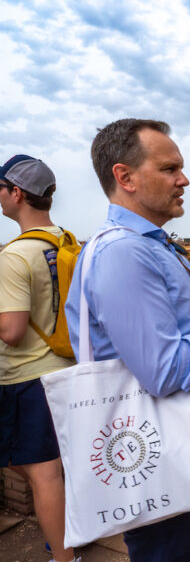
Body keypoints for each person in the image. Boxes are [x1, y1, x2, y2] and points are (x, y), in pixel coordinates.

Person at [65, 118, 190, 562]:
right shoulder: (124, 252)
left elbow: (171, 338)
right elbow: (165, 372)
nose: (184, 179)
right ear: (126, 177)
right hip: (162, 453)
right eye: (170, 168)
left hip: (186, 443)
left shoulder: (154, 247)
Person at [0, 155, 79, 562]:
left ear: (16, 193)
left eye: (0, 188)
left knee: (43, 475)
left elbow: (11, 332)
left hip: (26, 379)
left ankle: (64, 558)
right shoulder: (66, 240)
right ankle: (67, 541)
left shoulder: (14, 256)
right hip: (67, 370)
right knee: (51, 471)